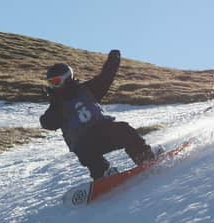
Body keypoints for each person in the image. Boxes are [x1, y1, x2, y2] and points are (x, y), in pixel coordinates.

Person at [40, 49, 156, 180]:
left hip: (102, 131)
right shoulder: (57, 105)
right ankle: (103, 174)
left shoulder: (87, 90)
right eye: (51, 83)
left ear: (67, 78)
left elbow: (106, 77)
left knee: (124, 129)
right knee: (84, 150)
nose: (54, 87)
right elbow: (47, 122)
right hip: (84, 142)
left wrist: (113, 60)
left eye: (56, 82)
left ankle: (144, 157)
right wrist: (55, 105)